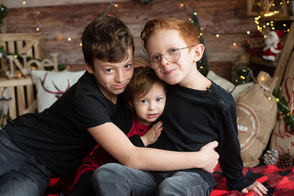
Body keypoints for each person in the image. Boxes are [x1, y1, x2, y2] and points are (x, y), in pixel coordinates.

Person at [0, 16, 219, 196]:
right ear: (89, 67)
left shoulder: (131, 83)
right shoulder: (86, 97)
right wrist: (200, 159)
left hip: (41, 169)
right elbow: (130, 156)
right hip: (14, 144)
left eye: (127, 65)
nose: (120, 78)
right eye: (108, 70)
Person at [93, 18, 268, 196]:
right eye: (156, 57)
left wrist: (238, 181)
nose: (165, 62)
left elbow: (230, 145)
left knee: (171, 187)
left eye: (173, 51)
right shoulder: (160, 87)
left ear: (197, 53)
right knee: (106, 174)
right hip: (152, 173)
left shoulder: (220, 102)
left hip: (191, 176)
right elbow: (136, 92)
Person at [70, 66, 167, 196]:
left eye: (158, 99)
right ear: (132, 103)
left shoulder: (161, 124)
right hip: (98, 165)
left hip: (125, 175)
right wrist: (145, 140)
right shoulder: (124, 117)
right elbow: (119, 154)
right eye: (144, 101)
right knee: (86, 186)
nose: (152, 108)